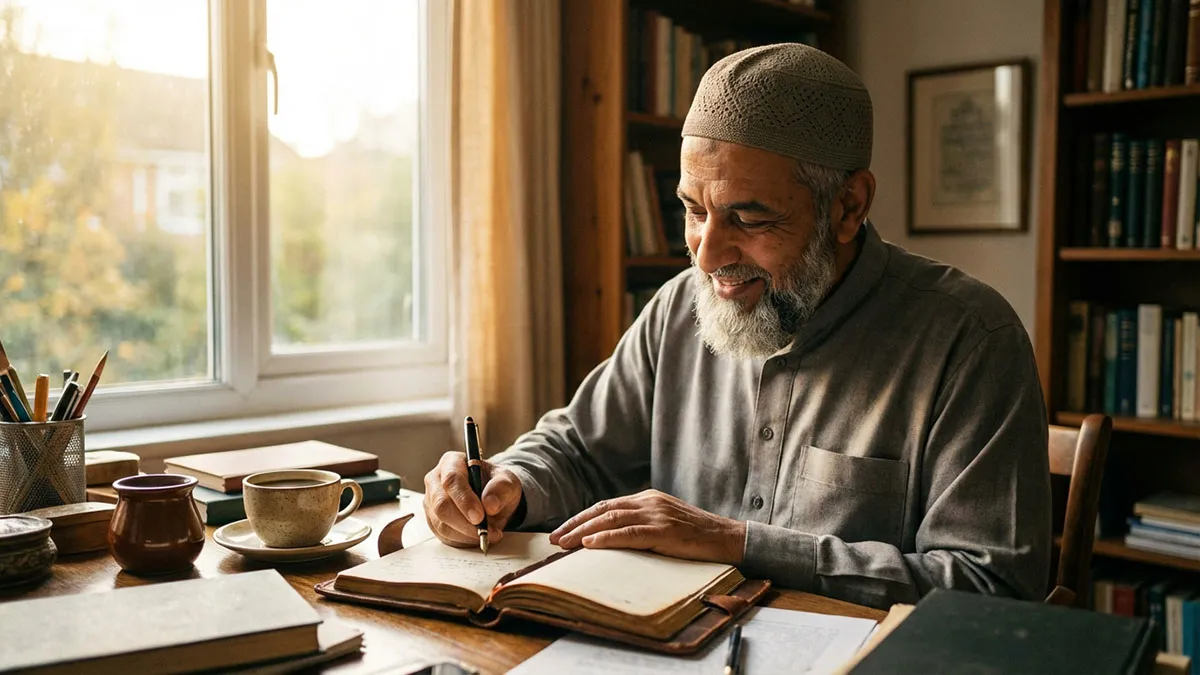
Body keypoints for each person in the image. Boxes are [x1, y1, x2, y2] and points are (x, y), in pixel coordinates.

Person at [423, 43, 1051, 610]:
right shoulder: (677, 309)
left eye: (748, 219)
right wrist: (510, 484)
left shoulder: (970, 340)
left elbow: (990, 586)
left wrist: (736, 543)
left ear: (849, 206)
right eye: (694, 212)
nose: (706, 254)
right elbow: (579, 449)